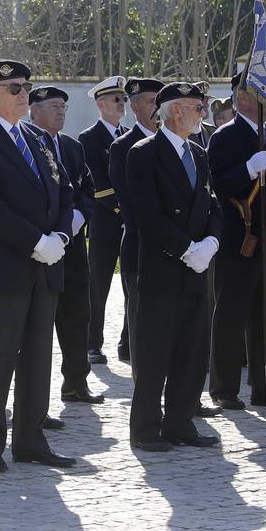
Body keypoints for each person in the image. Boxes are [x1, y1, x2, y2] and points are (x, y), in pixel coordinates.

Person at [0, 59, 75, 471]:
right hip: (1, 268)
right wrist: (35, 241)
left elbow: (64, 190)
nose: (23, 93)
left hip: (44, 266)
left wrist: (60, 236)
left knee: (38, 357)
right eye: (13, 88)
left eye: (25, 85)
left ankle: (31, 439)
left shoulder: (38, 138)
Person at [125, 81, 222, 451]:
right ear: (176, 111)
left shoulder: (199, 153)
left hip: (197, 266)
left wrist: (211, 242)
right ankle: (146, 427)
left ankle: (180, 421)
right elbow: (147, 215)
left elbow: (213, 205)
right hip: (164, 265)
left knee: (192, 349)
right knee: (155, 352)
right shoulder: (143, 153)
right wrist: (186, 248)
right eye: (198, 108)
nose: (203, 114)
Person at [207, 73, 266, 410]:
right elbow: (216, 188)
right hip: (239, 237)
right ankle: (224, 387)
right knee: (231, 314)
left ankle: (263, 384)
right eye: (263, 91)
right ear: (245, 98)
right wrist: (247, 170)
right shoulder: (225, 137)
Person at [28, 85, 99, 405]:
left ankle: (76, 382)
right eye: (53, 106)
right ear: (34, 110)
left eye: (63, 107)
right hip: (40, 248)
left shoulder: (72, 147)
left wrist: (77, 219)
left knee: (76, 315)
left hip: (72, 248)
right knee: (37, 322)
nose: (60, 111)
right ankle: (32, 395)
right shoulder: (26, 143)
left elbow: (87, 188)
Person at [109, 77, 162, 365]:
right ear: (134, 107)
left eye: (160, 101)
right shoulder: (124, 146)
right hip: (141, 247)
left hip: (176, 251)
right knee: (141, 322)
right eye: (152, 101)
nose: (158, 108)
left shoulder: (176, 142)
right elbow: (131, 204)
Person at [79, 75, 129, 365]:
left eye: (123, 99)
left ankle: (128, 342)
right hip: (104, 222)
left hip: (129, 224)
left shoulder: (129, 135)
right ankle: (92, 343)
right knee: (97, 286)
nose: (121, 104)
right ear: (100, 104)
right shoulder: (89, 138)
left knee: (132, 286)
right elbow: (97, 183)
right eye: (115, 99)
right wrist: (125, 207)